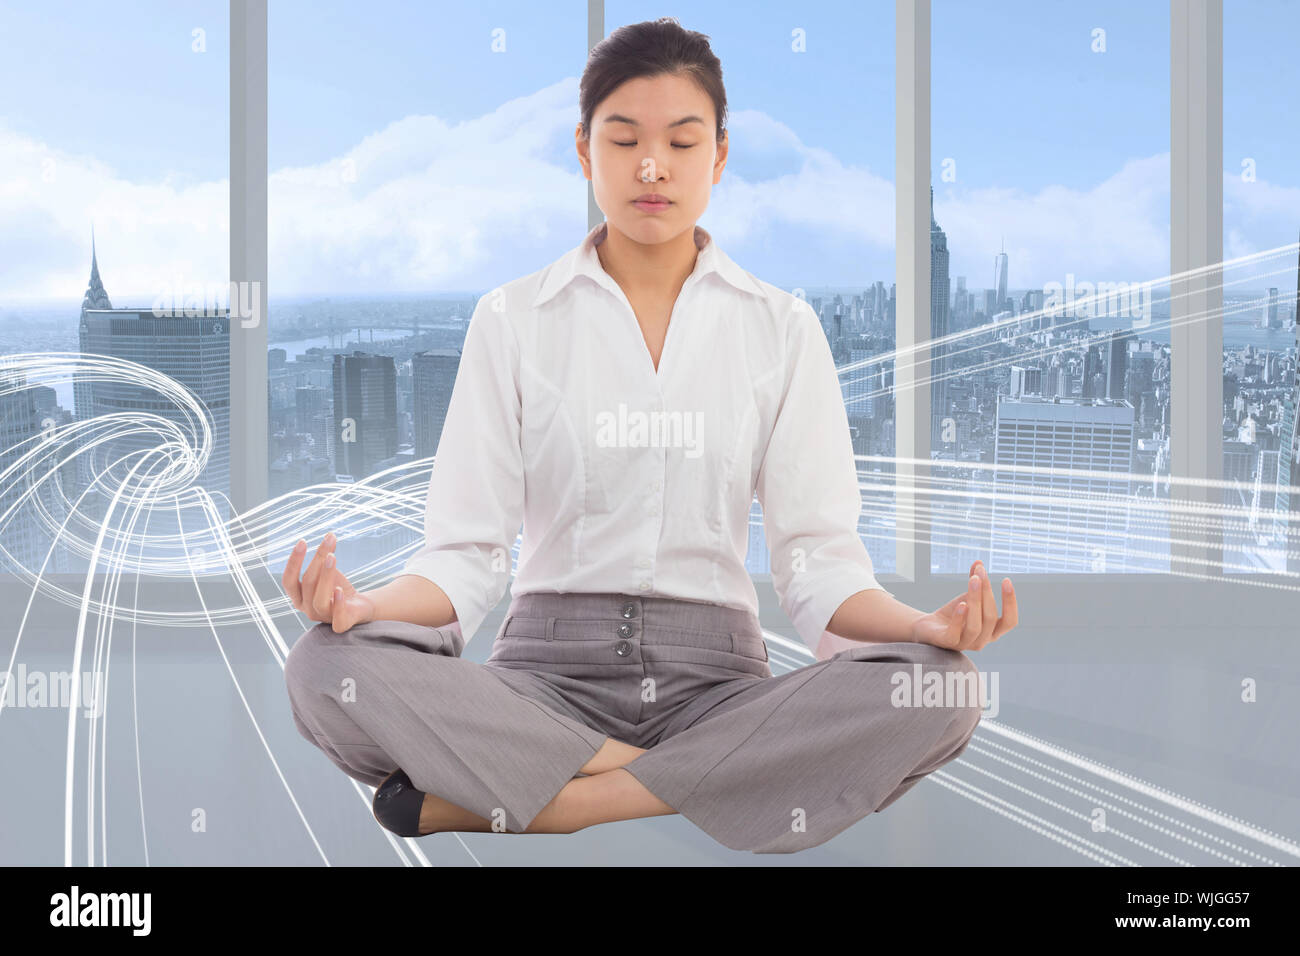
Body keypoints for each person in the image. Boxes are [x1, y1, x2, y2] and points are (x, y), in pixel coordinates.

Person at [282, 17, 1018, 855]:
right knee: (322, 667)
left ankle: (567, 799)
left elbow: (818, 565)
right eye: (623, 138)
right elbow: (467, 554)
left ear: (722, 155)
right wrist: (364, 607)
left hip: (722, 689)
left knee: (945, 693)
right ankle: (699, 780)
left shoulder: (782, 328)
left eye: (682, 140)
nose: (652, 167)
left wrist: (917, 628)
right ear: (584, 148)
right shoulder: (513, 319)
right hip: (542, 681)